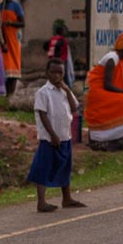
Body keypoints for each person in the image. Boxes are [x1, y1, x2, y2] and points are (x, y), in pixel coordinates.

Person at [27, 58, 86, 212]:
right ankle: (41, 202)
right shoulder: (43, 92)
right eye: (53, 72)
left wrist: (67, 90)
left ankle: (67, 198)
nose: (56, 76)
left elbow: (74, 108)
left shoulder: (65, 91)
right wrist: (52, 135)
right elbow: (43, 114)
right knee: (44, 167)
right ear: (47, 73)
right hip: (50, 138)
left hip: (65, 135)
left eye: (60, 73)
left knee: (65, 167)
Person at [86, 32, 123, 150]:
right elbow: (108, 85)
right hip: (99, 91)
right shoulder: (112, 59)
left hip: (103, 90)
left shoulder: (119, 59)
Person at [0, 0, 24, 97]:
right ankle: (4, 93)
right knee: (4, 67)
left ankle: (11, 95)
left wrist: (11, 23)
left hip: (14, 39)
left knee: (14, 68)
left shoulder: (16, 6)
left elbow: (22, 23)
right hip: (3, 40)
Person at [46, 19, 75, 88]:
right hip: (60, 60)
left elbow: (45, 46)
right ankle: (67, 87)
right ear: (61, 32)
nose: (65, 32)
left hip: (51, 60)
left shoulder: (53, 39)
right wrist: (59, 57)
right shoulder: (62, 40)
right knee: (63, 75)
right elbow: (59, 47)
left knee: (53, 75)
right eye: (64, 31)